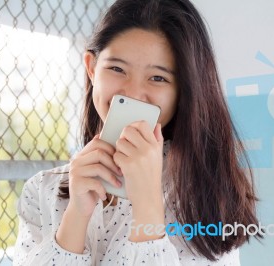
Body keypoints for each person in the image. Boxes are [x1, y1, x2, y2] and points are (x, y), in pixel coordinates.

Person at [13, 0, 261, 265]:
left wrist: (148, 207)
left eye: (158, 78)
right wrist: (76, 215)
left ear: (185, 90)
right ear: (91, 67)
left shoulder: (208, 196)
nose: (131, 94)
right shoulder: (42, 189)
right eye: (117, 69)